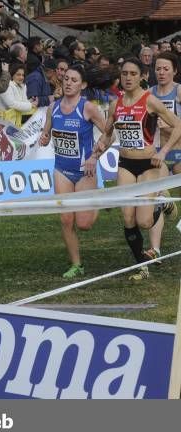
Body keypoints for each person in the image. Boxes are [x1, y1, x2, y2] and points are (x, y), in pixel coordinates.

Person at [90, 57, 181, 281]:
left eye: (133, 74)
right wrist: (99, 149)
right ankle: (142, 266)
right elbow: (109, 133)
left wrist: (163, 151)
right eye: (124, 74)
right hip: (125, 164)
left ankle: (163, 203)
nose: (128, 78)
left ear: (142, 76)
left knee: (144, 221)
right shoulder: (116, 104)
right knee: (128, 218)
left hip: (148, 164)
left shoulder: (150, 101)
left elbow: (178, 124)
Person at [39, 64, 107, 278]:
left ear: (83, 85)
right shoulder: (53, 107)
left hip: (84, 171)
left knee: (84, 224)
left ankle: (100, 199)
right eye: (66, 78)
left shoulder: (88, 108)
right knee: (66, 220)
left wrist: (94, 157)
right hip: (61, 170)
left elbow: (110, 133)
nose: (68, 83)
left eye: (74, 80)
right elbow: (46, 132)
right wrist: (45, 137)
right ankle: (77, 264)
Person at [144, 52, 181, 263]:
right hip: (158, 153)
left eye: (166, 68)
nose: (161, 72)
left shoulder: (179, 91)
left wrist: (169, 127)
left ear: (174, 70)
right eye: (158, 68)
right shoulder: (149, 94)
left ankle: (172, 207)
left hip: (179, 151)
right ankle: (155, 250)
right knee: (157, 197)